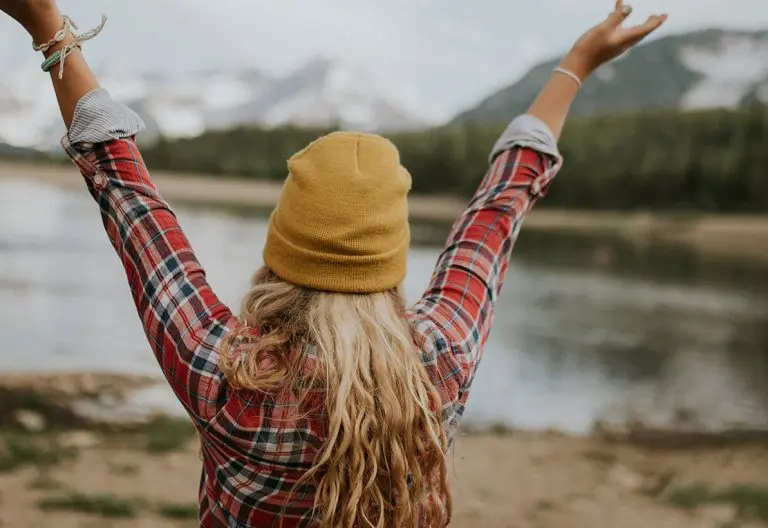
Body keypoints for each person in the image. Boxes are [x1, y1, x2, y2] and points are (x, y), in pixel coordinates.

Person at [0, 1, 666, 526]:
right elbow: (498, 209)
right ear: (388, 259)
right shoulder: (442, 360)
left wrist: (51, 29)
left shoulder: (224, 372)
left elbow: (130, 199)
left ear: (282, 246)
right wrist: (574, 66)